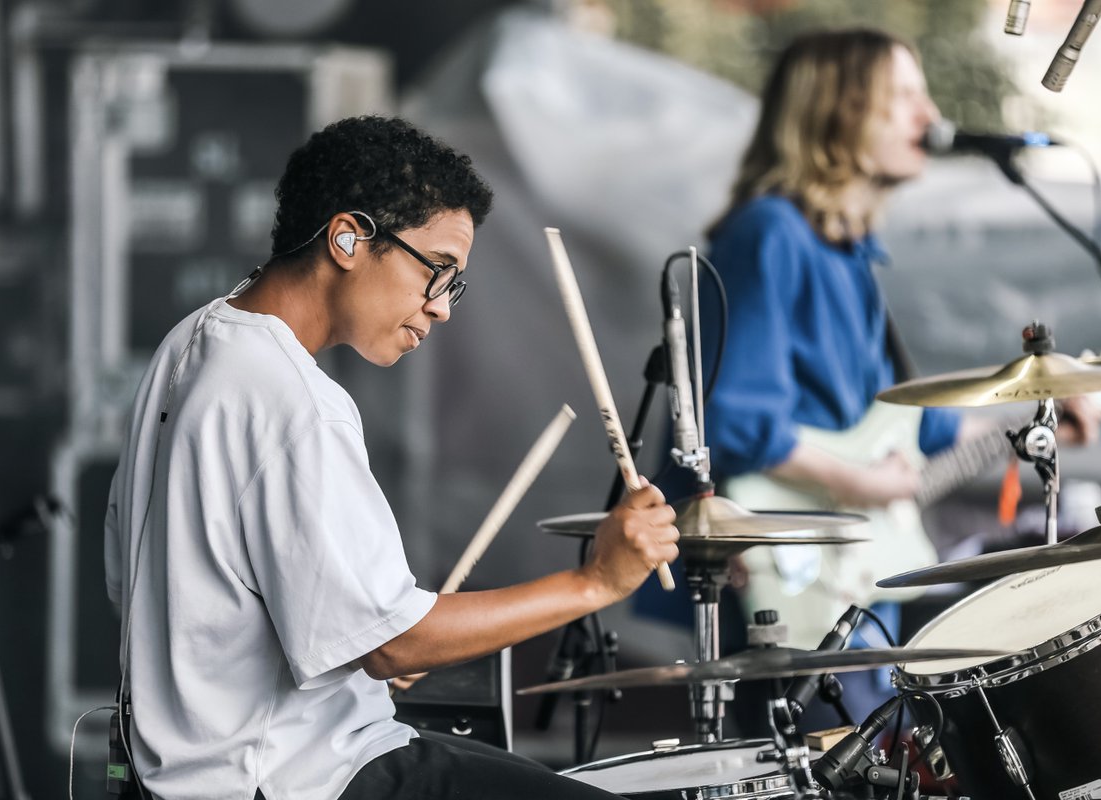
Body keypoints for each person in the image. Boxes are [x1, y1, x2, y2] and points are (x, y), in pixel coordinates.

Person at [104, 115, 679, 800]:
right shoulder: (293, 401)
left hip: (191, 769)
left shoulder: (193, 342)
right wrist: (597, 583)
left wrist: (364, 636)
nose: (441, 309)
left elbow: (141, 577)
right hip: (294, 777)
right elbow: (392, 648)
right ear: (348, 238)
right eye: (438, 271)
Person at [695, 28, 1099, 731]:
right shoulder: (771, 232)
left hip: (852, 573)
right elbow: (734, 423)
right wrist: (861, 483)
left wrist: (1037, 416)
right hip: (801, 570)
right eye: (905, 95)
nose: (929, 114)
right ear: (841, 112)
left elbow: (923, 424)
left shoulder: (847, 249)